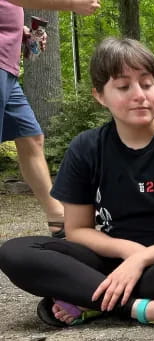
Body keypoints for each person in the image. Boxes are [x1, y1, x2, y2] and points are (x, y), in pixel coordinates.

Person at [0, 37, 154, 329]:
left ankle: (90, 298)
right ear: (100, 95)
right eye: (123, 87)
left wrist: (143, 259)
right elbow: (78, 230)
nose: (140, 95)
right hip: (113, 259)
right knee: (15, 252)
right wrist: (128, 252)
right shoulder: (86, 147)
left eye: (147, 84)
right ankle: (139, 308)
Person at [1, 0, 100, 238]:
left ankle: (57, 217)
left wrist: (21, 33)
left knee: (31, 138)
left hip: (8, 68)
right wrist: (71, 4)